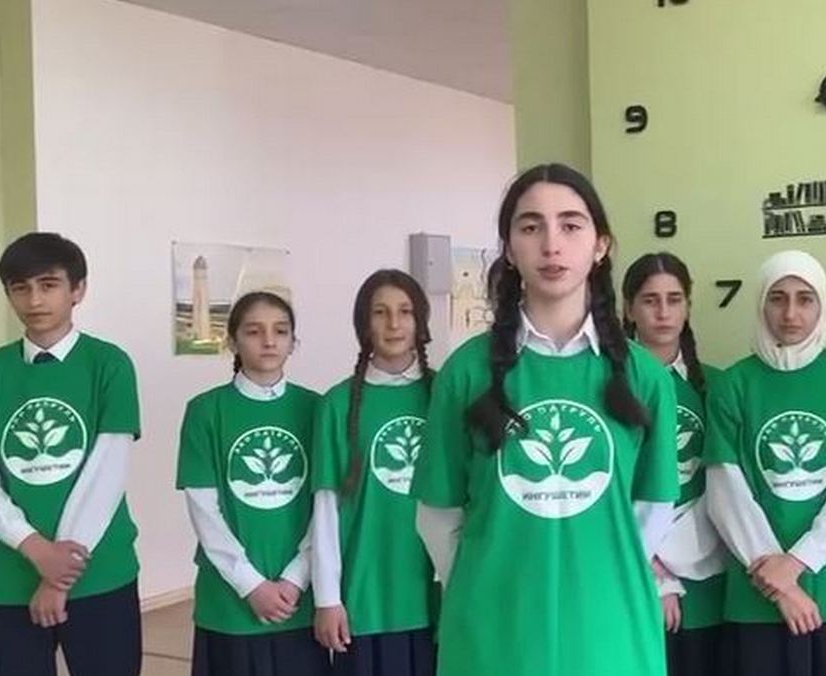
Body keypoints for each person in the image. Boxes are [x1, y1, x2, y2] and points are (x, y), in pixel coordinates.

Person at [410, 163, 679, 675]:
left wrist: (600, 573)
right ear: (510, 250)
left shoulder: (645, 376)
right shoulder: (465, 372)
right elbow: (437, 515)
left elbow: (653, 509)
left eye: (571, 225)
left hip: (610, 629)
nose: (552, 245)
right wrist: (487, 581)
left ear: (600, 245)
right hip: (493, 633)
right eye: (531, 226)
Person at [0, 232, 142, 675]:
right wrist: (35, 548)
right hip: (12, 574)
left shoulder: (109, 364)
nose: (34, 299)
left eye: (48, 284)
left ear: (78, 289)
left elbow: (107, 472)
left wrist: (59, 575)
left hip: (101, 571)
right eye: (20, 288)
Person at [705, 250, 826, 676]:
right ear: (761, 304)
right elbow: (725, 493)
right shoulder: (733, 385)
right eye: (777, 298)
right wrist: (780, 585)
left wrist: (796, 563)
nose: (790, 313)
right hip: (757, 596)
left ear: (822, 304)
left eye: (805, 299)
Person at [176, 291, 328, 675]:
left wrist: (296, 578)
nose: (269, 341)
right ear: (232, 342)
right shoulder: (205, 411)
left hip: (299, 599)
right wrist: (250, 585)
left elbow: (327, 507)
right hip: (229, 603)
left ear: (294, 341)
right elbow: (204, 510)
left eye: (281, 331)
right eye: (254, 331)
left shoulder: (317, 409)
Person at [311, 269, 438, 676]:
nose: (394, 323)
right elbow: (326, 510)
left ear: (421, 321)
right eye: (380, 312)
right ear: (363, 324)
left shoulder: (445, 395)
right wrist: (327, 598)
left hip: (433, 596)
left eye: (405, 311)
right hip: (365, 599)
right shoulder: (337, 404)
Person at [622, 252, 728, 675]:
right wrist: (656, 574)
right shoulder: (606, 385)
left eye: (674, 299)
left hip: (708, 570)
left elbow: (727, 486)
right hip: (632, 569)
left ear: (688, 306)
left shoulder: (716, 386)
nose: (663, 312)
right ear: (628, 308)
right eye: (650, 300)